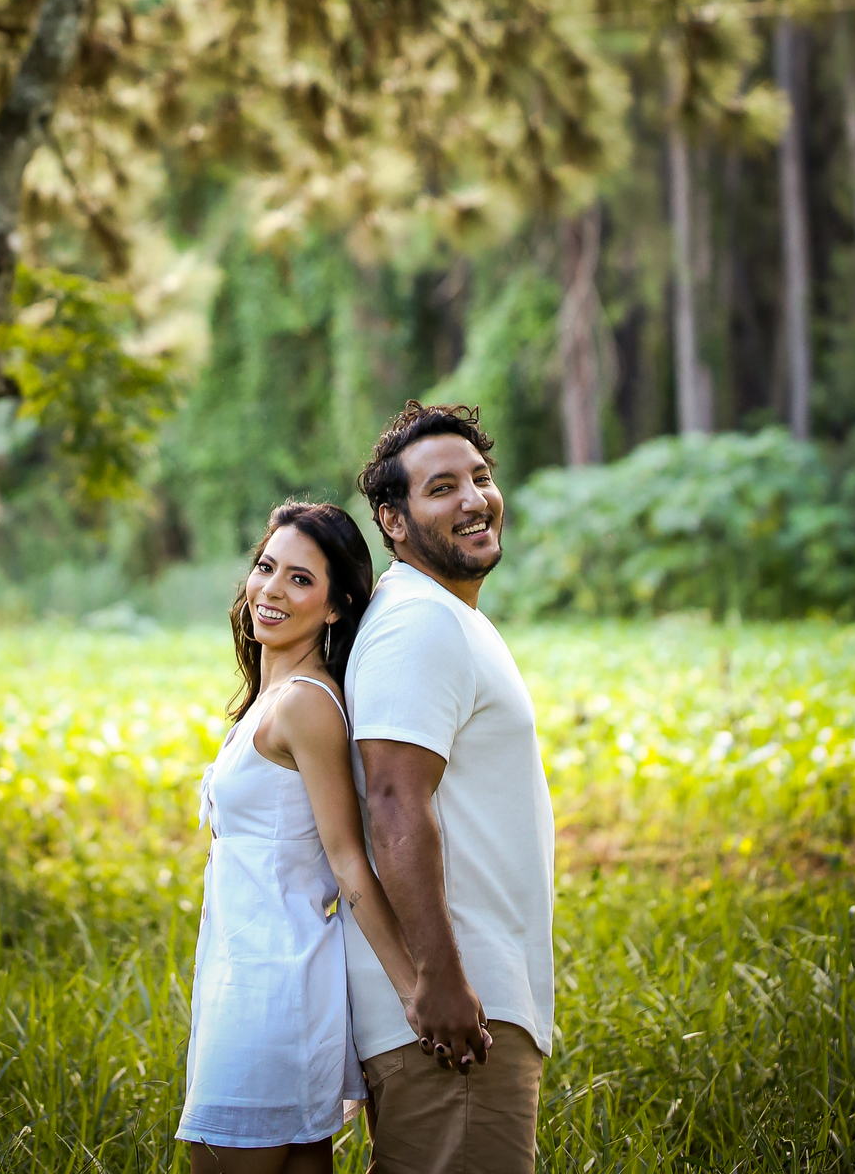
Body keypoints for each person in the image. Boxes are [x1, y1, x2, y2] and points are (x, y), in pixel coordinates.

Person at [343, 401, 555, 1174]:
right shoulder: (417, 624)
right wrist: (437, 978)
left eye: (481, 478)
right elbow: (395, 800)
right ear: (392, 520)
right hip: (457, 1012)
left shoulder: (445, 617)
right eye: (443, 488)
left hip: (466, 1001)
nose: (473, 499)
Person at [176, 501, 418, 1174]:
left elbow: (348, 860)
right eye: (265, 567)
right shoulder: (273, 698)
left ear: (337, 606)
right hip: (253, 979)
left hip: (270, 992)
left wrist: (413, 991)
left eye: (300, 579)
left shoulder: (307, 703)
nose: (272, 590)